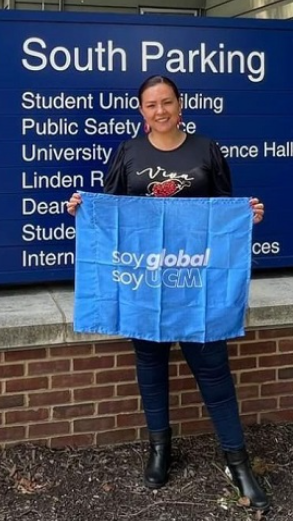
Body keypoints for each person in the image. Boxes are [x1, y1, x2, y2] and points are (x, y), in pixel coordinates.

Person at [67, 74, 270, 511]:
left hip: (197, 285)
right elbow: (113, 213)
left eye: (166, 102)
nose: (159, 111)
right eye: (150, 104)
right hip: (145, 283)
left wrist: (246, 216)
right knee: (151, 366)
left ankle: (238, 464)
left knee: (214, 370)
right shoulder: (128, 152)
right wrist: (85, 210)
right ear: (141, 111)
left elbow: (222, 212)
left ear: (181, 105)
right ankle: (160, 449)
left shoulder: (206, 150)